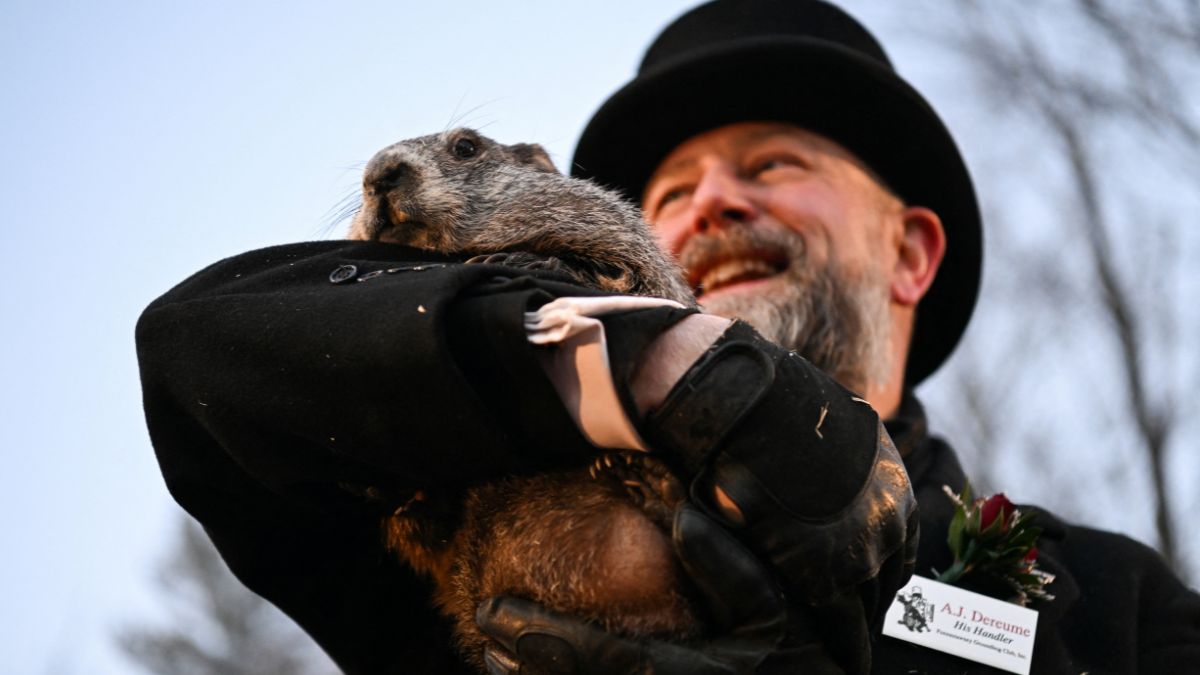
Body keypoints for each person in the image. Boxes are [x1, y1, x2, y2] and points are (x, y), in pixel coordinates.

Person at [134, 2, 1200, 675]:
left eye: (775, 163)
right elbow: (196, 354)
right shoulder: (460, 456)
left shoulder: (1113, 603)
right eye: (673, 189)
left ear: (912, 252)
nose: (712, 205)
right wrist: (606, 361)